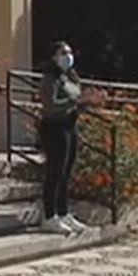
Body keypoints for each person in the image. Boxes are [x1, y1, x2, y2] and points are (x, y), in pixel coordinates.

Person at [39, 41, 100, 235]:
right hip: (54, 127)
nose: (68, 56)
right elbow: (51, 104)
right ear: (53, 57)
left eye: (69, 52)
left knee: (66, 172)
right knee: (55, 171)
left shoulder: (70, 77)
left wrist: (88, 101)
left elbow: (75, 103)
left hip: (69, 125)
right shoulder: (50, 78)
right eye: (63, 53)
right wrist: (76, 100)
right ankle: (49, 215)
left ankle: (63, 212)